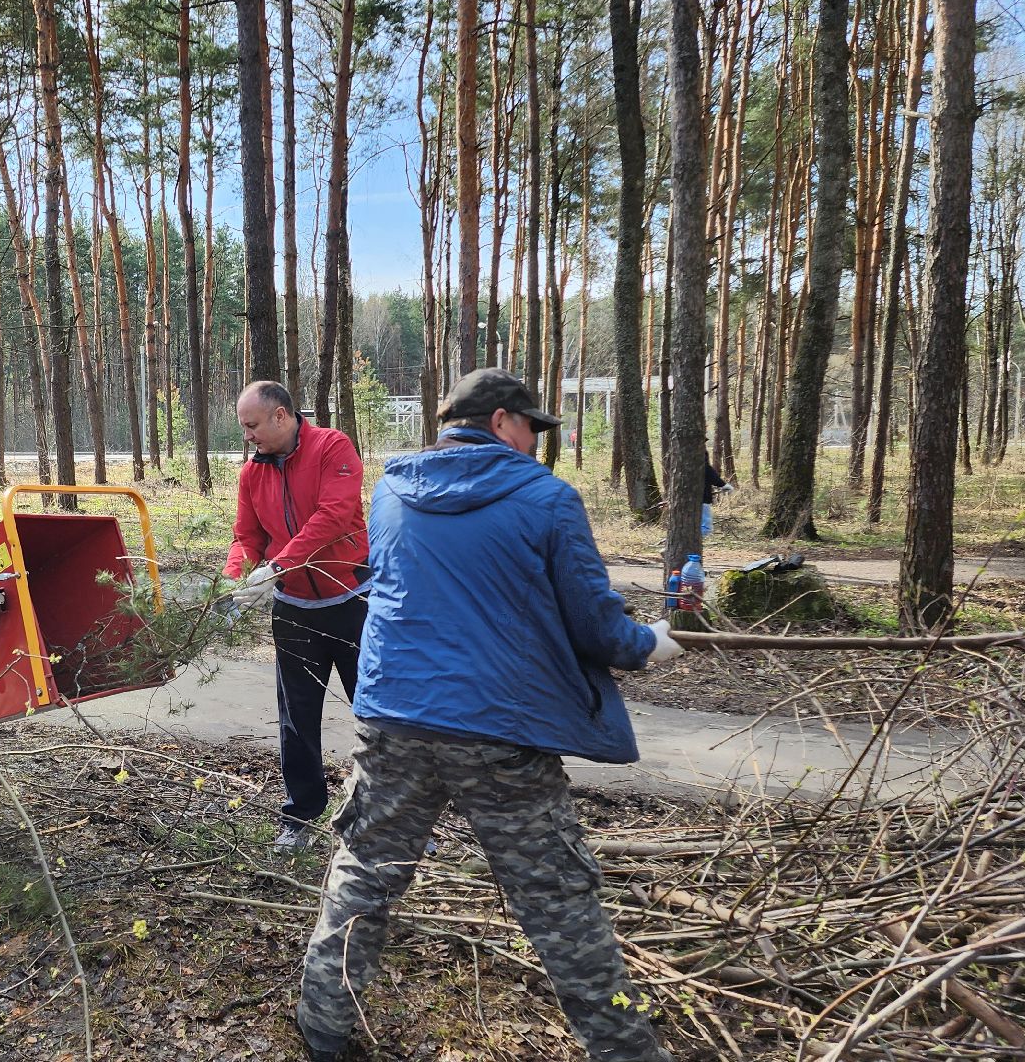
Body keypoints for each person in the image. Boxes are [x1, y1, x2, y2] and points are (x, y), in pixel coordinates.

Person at [296, 368, 685, 1062]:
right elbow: (599, 631)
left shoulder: (391, 491)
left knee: (363, 876)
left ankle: (321, 1029)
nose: (537, 441)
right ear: (504, 420)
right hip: (497, 727)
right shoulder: (546, 499)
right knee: (558, 901)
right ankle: (628, 1050)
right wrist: (652, 644)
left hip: (394, 718)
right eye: (533, 426)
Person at [225, 380, 370, 850]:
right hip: (295, 612)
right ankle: (301, 817)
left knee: (377, 715)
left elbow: (332, 516)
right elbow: (246, 536)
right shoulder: (253, 474)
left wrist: (277, 566)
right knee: (297, 717)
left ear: (282, 416)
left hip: (353, 602)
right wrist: (234, 578)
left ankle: (390, 819)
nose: (247, 435)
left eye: (252, 425)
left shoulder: (333, 447)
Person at [702, 457, 732, 536]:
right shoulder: (704, 466)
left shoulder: (682, 465)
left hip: (686, 503)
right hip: (703, 500)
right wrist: (724, 485)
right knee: (705, 528)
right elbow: (715, 478)